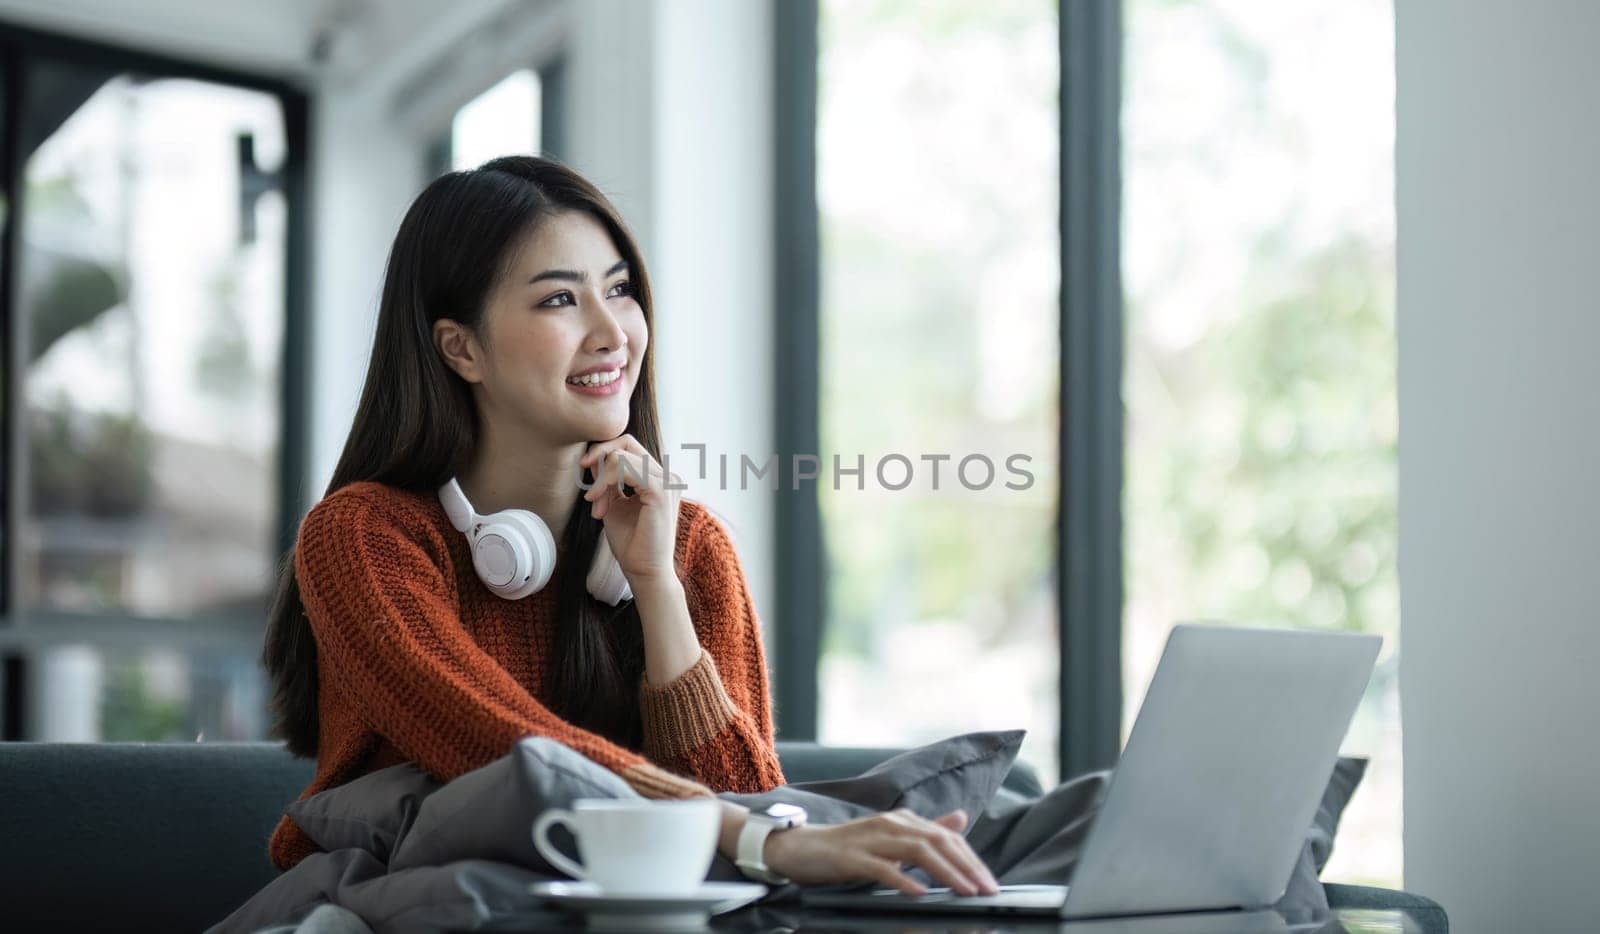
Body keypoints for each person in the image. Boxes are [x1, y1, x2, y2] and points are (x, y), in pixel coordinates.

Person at [261, 155, 999, 897]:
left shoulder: (686, 543)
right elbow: (507, 756)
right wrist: (762, 837)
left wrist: (655, 586)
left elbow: (743, 798)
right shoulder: (363, 536)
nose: (613, 331)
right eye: (559, 301)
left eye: (620, 289)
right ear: (462, 349)